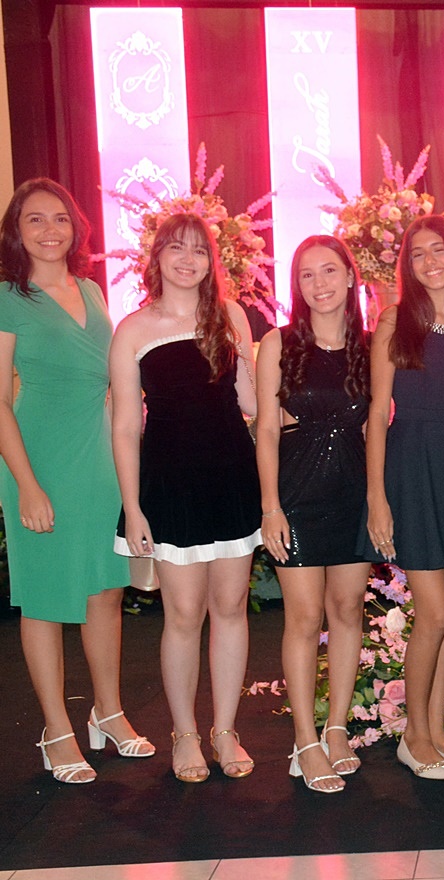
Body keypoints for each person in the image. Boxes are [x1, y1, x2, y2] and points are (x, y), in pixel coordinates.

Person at [0, 179, 152, 784]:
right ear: (16, 232)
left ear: (76, 226)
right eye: (34, 220)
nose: (49, 230)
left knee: (105, 590)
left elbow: (111, 375)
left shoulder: (90, 289)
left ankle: (107, 713)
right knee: (46, 599)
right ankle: (55, 731)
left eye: (59, 218)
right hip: (39, 458)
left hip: (99, 460)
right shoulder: (8, 296)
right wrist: (26, 484)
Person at [110, 212, 261, 784]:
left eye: (198, 250)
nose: (187, 260)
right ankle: (185, 734)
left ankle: (225, 730)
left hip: (231, 479)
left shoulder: (231, 316)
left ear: (211, 261)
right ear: (157, 257)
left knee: (231, 608)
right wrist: (134, 507)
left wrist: (261, 359)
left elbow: (250, 403)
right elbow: (127, 426)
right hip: (170, 486)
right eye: (176, 248)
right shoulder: (134, 329)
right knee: (182, 615)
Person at [362, 216, 444, 781]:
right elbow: (377, 414)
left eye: (439, 250)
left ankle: (435, 729)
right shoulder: (394, 320)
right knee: (432, 611)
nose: (430, 262)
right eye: (418, 254)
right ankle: (413, 736)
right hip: (412, 467)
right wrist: (377, 498)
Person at [256, 235, 370, 793]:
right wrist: (270, 507)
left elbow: (378, 426)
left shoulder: (371, 346)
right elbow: (265, 430)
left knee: (347, 610)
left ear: (350, 276)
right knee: (303, 618)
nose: (319, 284)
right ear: (296, 285)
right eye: (307, 274)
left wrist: (380, 501)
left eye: (329, 271)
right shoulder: (278, 343)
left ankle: (337, 728)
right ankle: (304, 741)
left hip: (353, 492)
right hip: (296, 495)